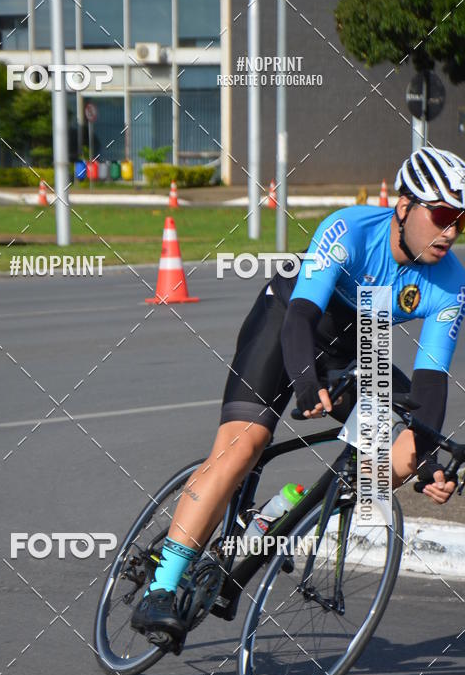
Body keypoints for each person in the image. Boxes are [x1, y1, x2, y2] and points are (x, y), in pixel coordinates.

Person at [132, 146, 465, 644]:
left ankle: (287, 515)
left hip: (359, 344)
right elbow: (301, 318)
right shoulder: (351, 230)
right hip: (288, 319)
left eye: (461, 220)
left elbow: (431, 381)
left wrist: (427, 458)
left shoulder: (452, 281)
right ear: (404, 206)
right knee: (243, 445)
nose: (451, 231)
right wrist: (307, 383)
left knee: (405, 450)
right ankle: (161, 587)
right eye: (441, 215)